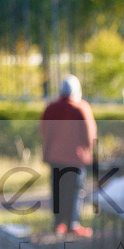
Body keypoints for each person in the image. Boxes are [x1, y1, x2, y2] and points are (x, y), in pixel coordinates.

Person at [39, 74, 97, 237]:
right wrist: (88, 148)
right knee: (74, 191)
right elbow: (89, 134)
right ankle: (72, 223)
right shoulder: (81, 108)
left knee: (57, 190)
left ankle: (58, 223)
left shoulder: (51, 108)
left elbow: (43, 130)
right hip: (75, 159)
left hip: (54, 157)